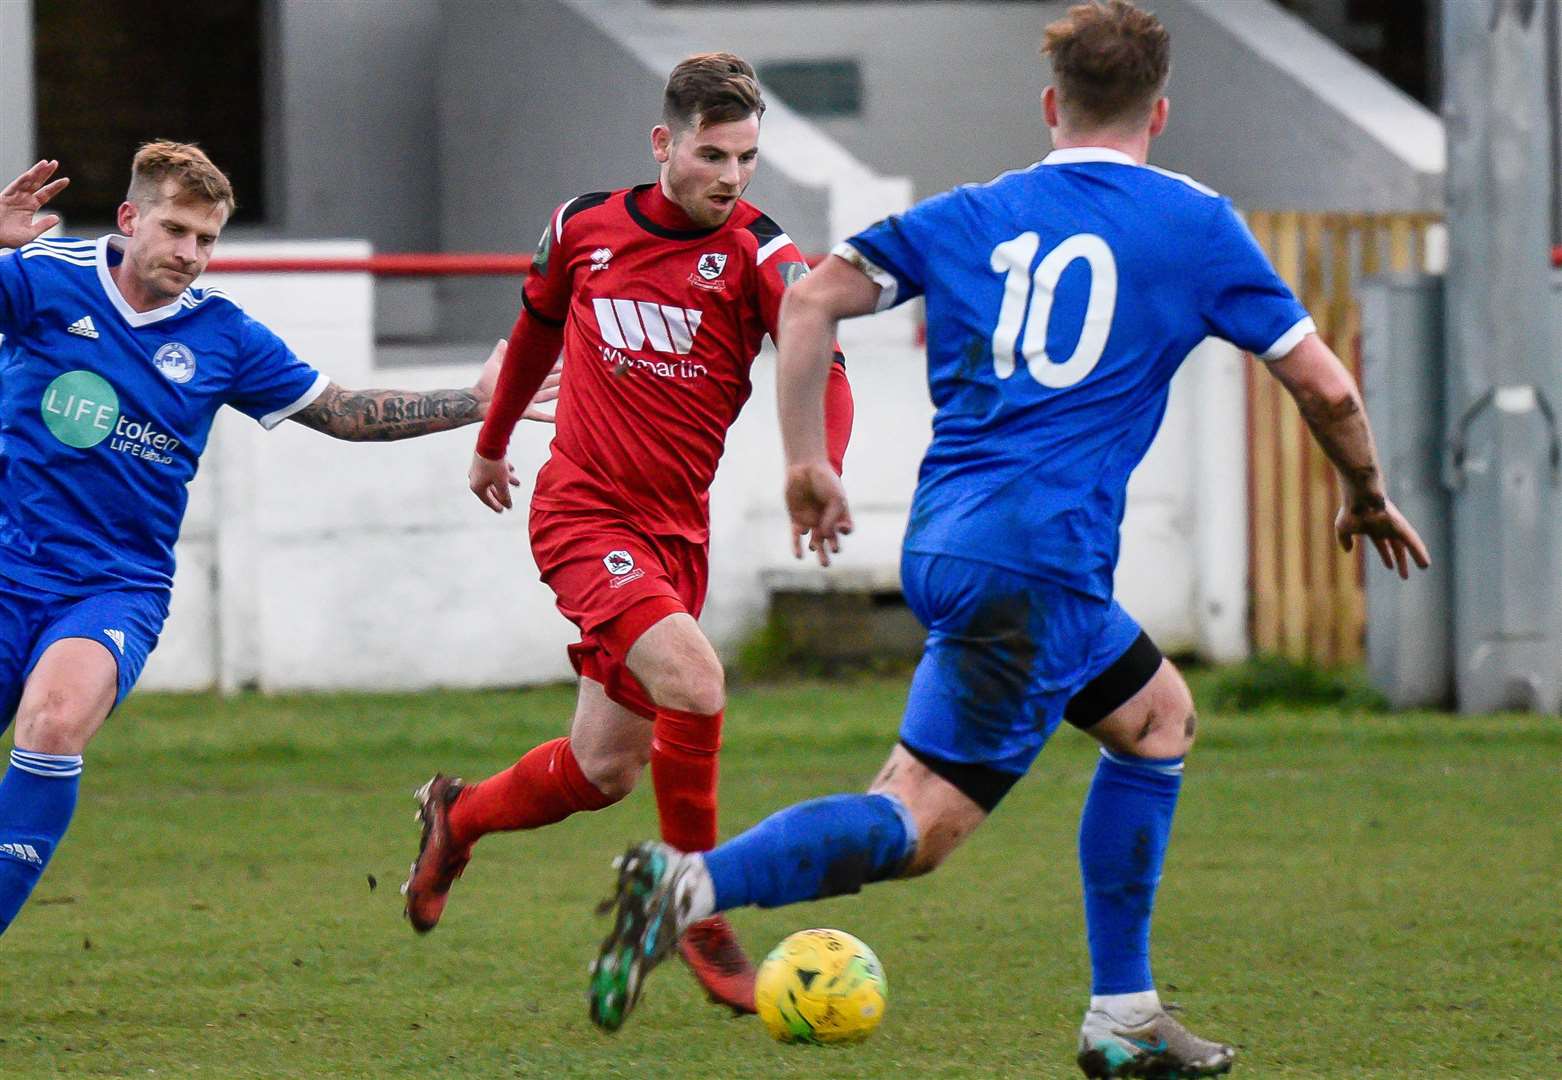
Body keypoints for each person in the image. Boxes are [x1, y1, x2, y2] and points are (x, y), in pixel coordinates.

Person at [587, 2, 1431, 1074]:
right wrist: (1361, 491)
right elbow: (1324, 385)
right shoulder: (1194, 223)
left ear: (1049, 104)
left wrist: (809, 459)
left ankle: (1122, 1017)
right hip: (1042, 563)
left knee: (1155, 718)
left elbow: (806, 304)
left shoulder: (977, 210)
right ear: (1158, 112)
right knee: (916, 828)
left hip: (950, 544)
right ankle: (686, 885)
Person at [0, 142, 558, 937]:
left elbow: (345, 412)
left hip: (110, 589)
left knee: (53, 724)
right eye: (176, 231)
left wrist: (474, 403)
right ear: (130, 219)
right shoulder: (42, 279)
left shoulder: (222, 335)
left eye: (208, 239)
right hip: (8, 564)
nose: (192, 254)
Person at [399, 53, 852, 1014]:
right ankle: (697, 908)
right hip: (582, 513)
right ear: (664, 143)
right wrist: (489, 446)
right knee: (696, 680)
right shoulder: (584, 227)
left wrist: (821, 465)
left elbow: (826, 364)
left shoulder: (762, 256)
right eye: (712, 154)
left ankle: (457, 817)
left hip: (674, 538)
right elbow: (532, 333)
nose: (730, 177)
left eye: (747, 158)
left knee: (605, 769)